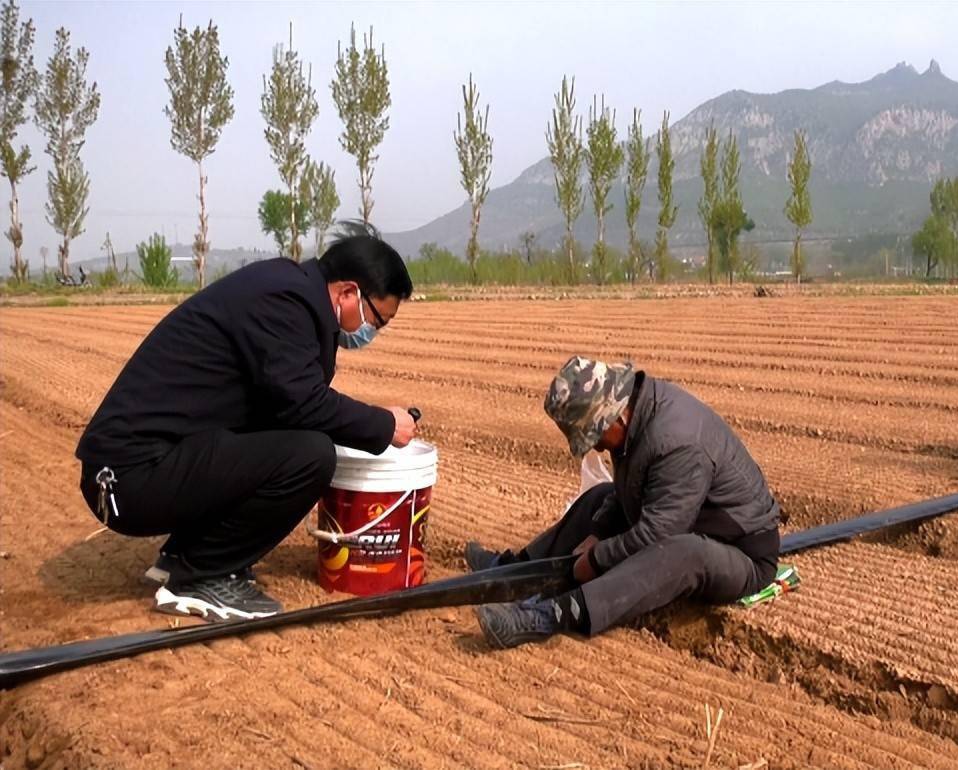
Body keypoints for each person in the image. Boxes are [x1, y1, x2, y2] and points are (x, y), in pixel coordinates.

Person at [75, 224, 418, 621]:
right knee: (311, 454)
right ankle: (199, 575)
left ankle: (182, 556)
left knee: (284, 436)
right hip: (127, 480)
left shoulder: (289, 291)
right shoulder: (286, 302)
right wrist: (383, 425)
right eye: (378, 320)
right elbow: (303, 403)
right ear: (347, 293)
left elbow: (286, 404)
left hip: (141, 468)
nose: (372, 332)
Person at [469, 356, 782, 648]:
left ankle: (550, 616)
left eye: (595, 438)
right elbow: (627, 491)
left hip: (741, 555)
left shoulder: (676, 442)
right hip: (690, 523)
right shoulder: (639, 416)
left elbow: (661, 533)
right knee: (599, 497)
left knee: (682, 552)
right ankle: (517, 571)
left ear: (613, 419)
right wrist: (598, 531)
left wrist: (597, 559)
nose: (599, 448)